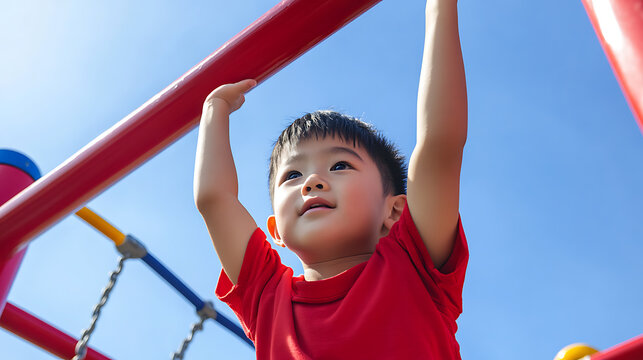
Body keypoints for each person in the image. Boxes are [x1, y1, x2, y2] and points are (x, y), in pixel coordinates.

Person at [193, 0, 468, 358]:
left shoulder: (415, 264)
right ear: (275, 230)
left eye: (339, 166)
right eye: (293, 175)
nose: (312, 181)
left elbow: (440, 145)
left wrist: (439, 8)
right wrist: (213, 108)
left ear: (396, 211)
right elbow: (214, 200)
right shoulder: (267, 296)